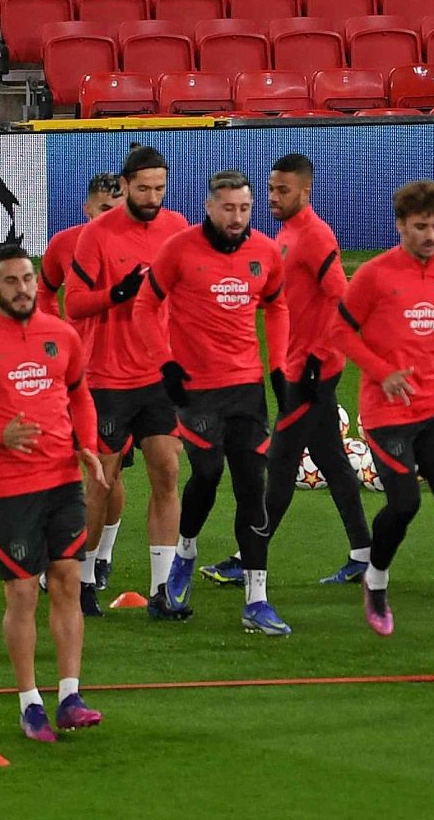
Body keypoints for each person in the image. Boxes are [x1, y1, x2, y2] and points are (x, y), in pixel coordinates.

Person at [0, 245, 108, 742]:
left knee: (67, 583)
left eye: (28, 278)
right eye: (11, 281)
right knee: (21, 594)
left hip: (63, 481)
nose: (22, 288)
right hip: (12, 487)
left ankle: (71, 694)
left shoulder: (62, 336)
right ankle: (29, 702)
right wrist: (1, 436)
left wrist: (87, 446)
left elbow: (78, 393)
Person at [201, 153, 373, 589]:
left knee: (278, 461)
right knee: (331, 459)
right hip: (300, 366)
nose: (273, 197)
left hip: (314, 370)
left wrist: (318, 356)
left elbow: (343, 299)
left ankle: (247, 557)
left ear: (305, 191)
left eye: (283, 190)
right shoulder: (287, 235)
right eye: (272, 189)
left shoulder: (314, 236)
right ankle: (365, 555)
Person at [336, 181, 434, 642]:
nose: (430, 235)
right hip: (386, 415)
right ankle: (376, 580)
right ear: (401, 225)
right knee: (404, 504)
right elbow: (341, 333)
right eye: (420, 226)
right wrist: (382, 372)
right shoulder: (374, 275)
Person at [133, 170, 291, 632]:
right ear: (209, 207)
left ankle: (257, 599)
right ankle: (185, 554)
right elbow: (146, 305)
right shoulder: (179, 249)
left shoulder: (264, 252)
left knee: (251, 486)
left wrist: (278, 367)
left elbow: (278, 306)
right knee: (206, 472)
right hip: (197, 388)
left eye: (245, 208)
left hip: (245, 387)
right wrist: (164, 363)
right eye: (228, 209)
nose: (238, 217)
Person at [65, 145, 190, 619]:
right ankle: (81, 579)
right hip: (109, 378)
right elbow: (73, 304)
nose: (153, 197)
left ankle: (162, 590)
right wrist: (119, 293)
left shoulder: (177, 229)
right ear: (126, 185)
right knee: (102, 482)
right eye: (143, 189)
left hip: (160, 373)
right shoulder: (97, 236)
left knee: (168, 473)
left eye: (160, 188)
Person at [40, 172, 130, 613]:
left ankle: (100, 555)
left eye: (118, 211)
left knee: (108, 471)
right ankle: (62, 555)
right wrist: (48, 331)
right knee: (61, 465)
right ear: (87, 209)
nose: (110, 219)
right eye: (103, 211)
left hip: (116, 373)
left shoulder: (137, 243)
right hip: (67, 372)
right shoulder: (65, 243)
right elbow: (44, 287)